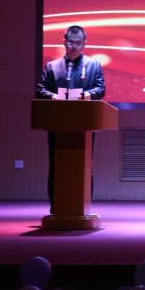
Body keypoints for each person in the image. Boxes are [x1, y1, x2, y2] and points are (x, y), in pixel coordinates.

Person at [35, 25, 105, 212]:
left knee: (85, 165)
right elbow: (40, 89)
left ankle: (84, 207)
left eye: (78, 43)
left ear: (85, 43)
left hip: (84, 123)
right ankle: (56, 207)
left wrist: (88, 95)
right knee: (56, 164)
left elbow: (100, 89)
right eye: (70, 42)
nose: (74, 46)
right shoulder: (52, 66)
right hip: (58, 123)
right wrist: (53, 97)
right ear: (64, 42)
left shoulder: (93, 65)